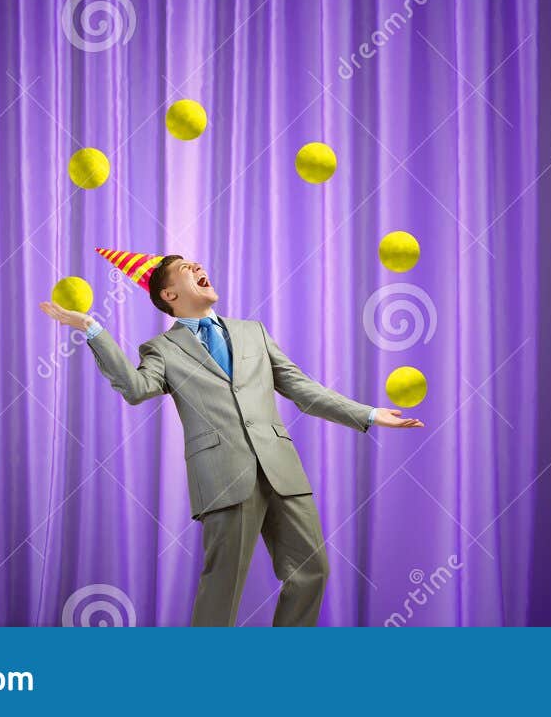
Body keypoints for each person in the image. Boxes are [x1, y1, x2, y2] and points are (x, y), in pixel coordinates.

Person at [39, 248, 423, 626]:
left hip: (282, 469)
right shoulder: (161, 349)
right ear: (169, 296)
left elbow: (302, 389)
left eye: (196, 263)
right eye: (187, 269)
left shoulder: (252, 332)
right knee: (223, 586)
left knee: (312, 572)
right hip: (222, 475)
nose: (198, 267)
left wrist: (370, 414)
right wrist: (92, 329)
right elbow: (137, 388)